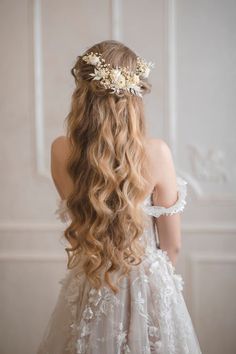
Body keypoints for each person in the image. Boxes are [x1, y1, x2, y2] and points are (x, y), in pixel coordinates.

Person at [37, 40, 202, 354]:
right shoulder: (156, 153)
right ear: (135, 97)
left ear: (81, 94)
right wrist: (151, 287)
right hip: (147, 284)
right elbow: (173, 246)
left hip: (91, 277)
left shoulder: (61, 150)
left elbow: (81, 216)